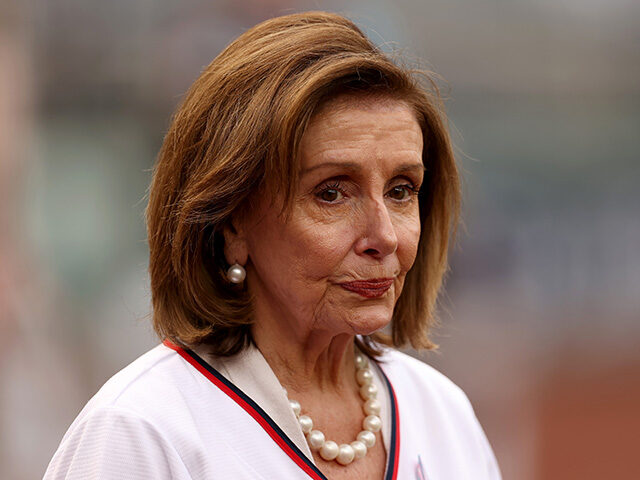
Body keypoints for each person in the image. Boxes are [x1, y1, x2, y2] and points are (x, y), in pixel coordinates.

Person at [44, 11, 501, 480]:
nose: (384, 236)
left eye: (401, 190)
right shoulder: (143, 432)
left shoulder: (444, 415)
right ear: (232, 222)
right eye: (331, 192)